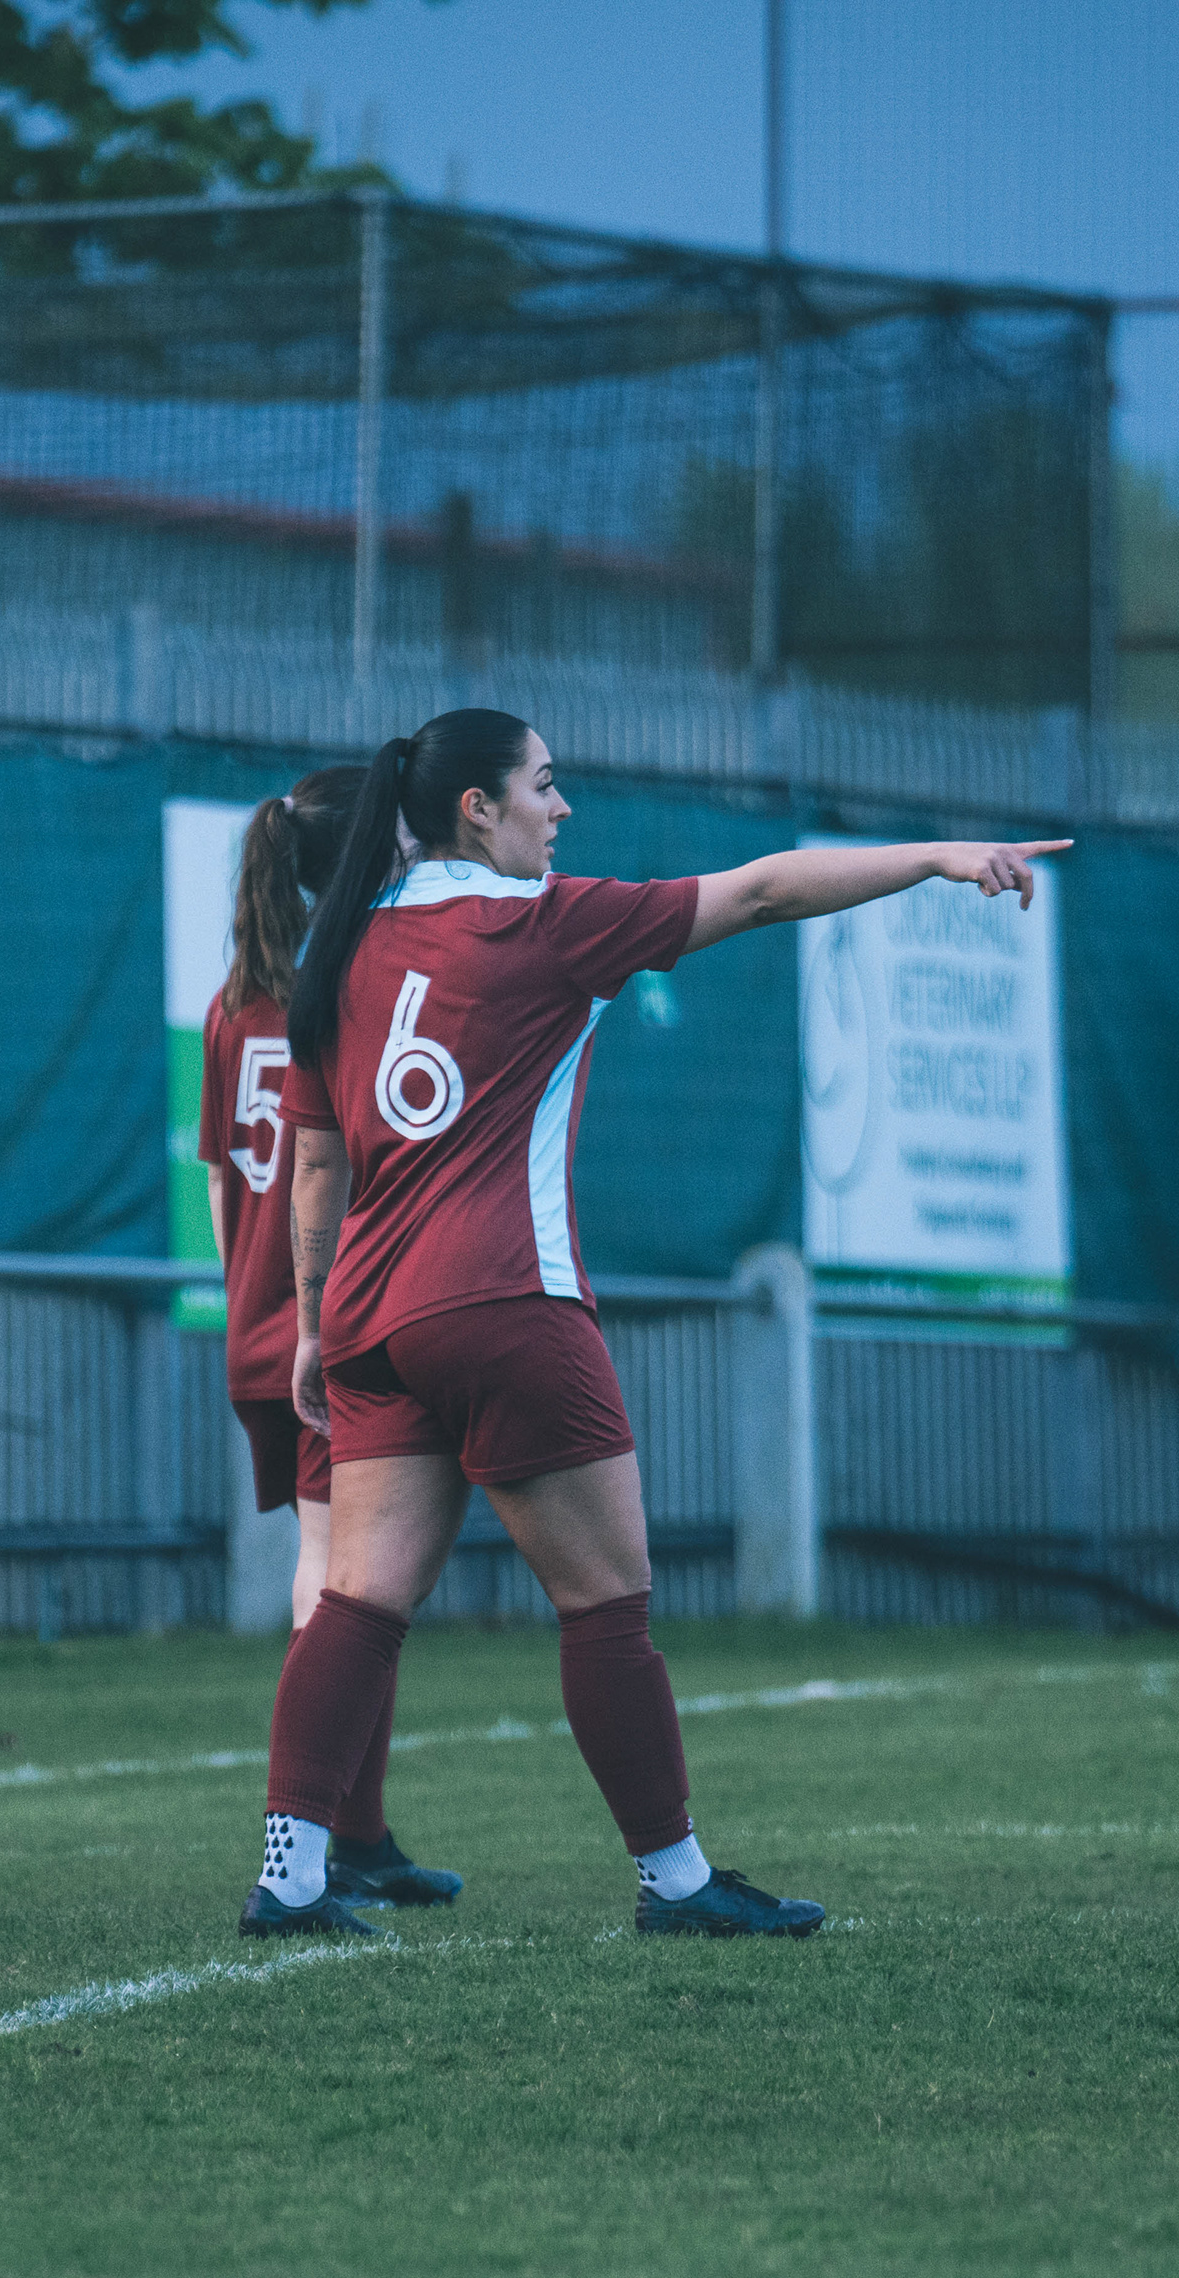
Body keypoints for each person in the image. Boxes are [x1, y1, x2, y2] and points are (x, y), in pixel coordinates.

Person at [240, 706, 1061, 1938]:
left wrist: (313, 1326)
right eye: (544, 784)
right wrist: (938, 858)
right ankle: (676, 1882)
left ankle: (291, 1874)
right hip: (506, 1302)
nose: (561, 807)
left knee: (358, 1601)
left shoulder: (342, 950)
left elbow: (316, 1168)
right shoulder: (543, 922)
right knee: (606, 1603)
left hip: (371, 1318)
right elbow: (764, 892)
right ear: (478, 808)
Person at [198, 767, 463, 1909]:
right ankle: (303, 1850)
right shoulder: (359, 986)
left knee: (359, 1579)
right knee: (342, 1586)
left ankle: (359, 1838)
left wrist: (250, 1307)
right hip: (334, 1323)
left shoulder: (231, 1006)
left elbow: (222, 1182)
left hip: (260, 1321)